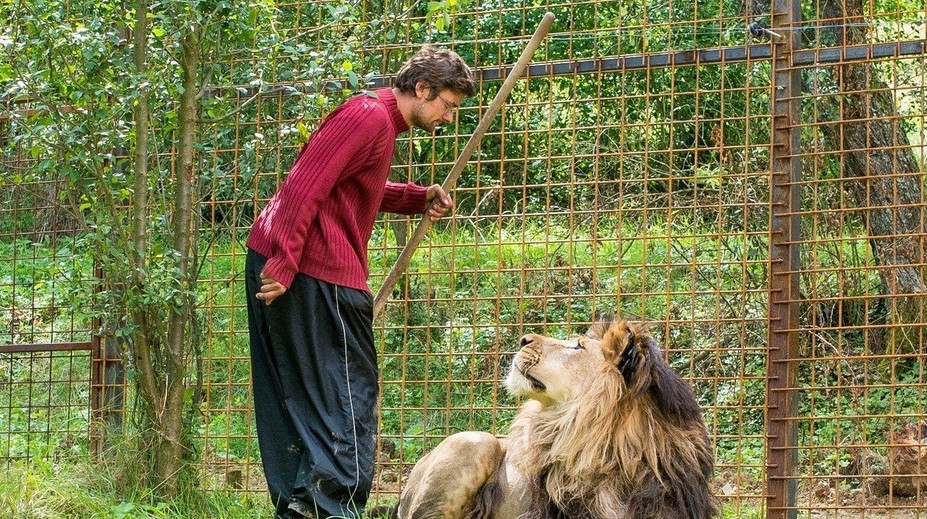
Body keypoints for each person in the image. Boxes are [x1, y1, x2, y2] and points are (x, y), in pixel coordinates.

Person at [244, 46, 474, 518]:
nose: (449, 117)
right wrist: (285, 261)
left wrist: (414, 197)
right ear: (422, 88)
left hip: (304, 266)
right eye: (448, 105)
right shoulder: (367, 116)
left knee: (301, 401)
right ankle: (328, 510)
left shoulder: (380, 123)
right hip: (314, 271)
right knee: (348, 401)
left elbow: (349, 186)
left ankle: (301, 509)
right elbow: (304, 185)